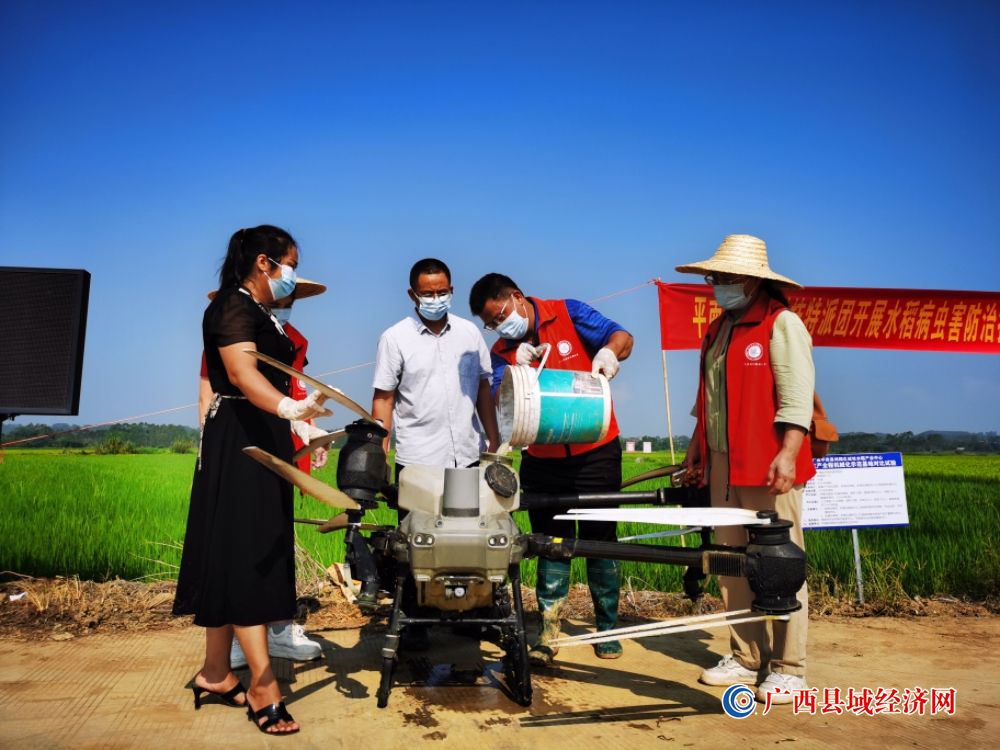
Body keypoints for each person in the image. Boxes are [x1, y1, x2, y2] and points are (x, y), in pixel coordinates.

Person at [173, 225, 331, 735]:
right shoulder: (231, 307)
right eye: (290, 264)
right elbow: (242, 375)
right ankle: (263, 685)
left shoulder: (262, 313)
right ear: (265, 262)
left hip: (262, 433)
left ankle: (216, 673)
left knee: (233, 551)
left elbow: (278, 380)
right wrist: (288, 408)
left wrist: (302, 423)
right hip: (241, 438)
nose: (292, 276)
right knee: (247, 556)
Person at [676, 234, 814, 705]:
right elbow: (708, 400)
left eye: (724, 277)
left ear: (752, 280)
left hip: (769, 462)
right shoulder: (718, 330)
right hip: (723, 464)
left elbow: (796, 397)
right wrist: (697, 447)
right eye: (713, 277)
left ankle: (789, 667)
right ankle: (747, 656)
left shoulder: (781, 323)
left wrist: (789, 452)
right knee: (732, 564)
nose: (716, 284)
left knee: (781, 565)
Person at [469, 273, 633, 665]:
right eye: (491, 324)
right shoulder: (502, 351)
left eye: (500, 316)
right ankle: (548, 629)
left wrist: (608, 353)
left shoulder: (568, 313)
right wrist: (515, 364)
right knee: (550, 544)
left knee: (600, 539)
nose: (499, 326)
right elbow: (497, 398)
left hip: (596, 451)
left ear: (517, 297)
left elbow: (622, 336)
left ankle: (607, 629)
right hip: (543, 459)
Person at [198, 278, 330, 669]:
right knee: (240, 544)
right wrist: (211, 447)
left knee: (276, 538)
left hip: (276, 440)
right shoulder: (231, 329)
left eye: (289, 298)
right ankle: (241, 638)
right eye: (278, 295)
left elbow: (294, 391)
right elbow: (210, 391)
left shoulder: (293, 340)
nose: (282, 303)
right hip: (240, 440)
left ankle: (279, 628)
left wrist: (308, 431)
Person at [372, 258, 501, 648]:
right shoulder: (395, 338)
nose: (435, 298)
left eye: (442, 292)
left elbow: (483, 389)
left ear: (451, 290)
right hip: (418, 463)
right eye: (427, 293)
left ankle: (469, 626)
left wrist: (493, 439)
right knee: (417, 546)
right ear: (412, 294)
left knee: (470, 544)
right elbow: (384, 398)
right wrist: (380, 451)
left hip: (465, 457)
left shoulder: (469, 334)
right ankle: (415, 629)